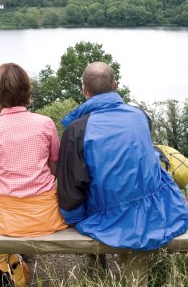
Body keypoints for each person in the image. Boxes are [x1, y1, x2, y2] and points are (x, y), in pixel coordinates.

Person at [57, 61, 188, 251]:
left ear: (84, 90)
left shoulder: (77, 129)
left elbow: (71, 188)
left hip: (108, 219)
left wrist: (73, 218)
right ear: (115, 85)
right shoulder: (140, 116)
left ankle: (95, 267)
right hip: (157, 211)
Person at [0, 62, 68, 286]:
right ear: (27, 90)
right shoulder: (45, 124)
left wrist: (6, 181)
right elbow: (53, 172)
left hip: (7, 222)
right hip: (46, 218)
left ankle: (4, 268)